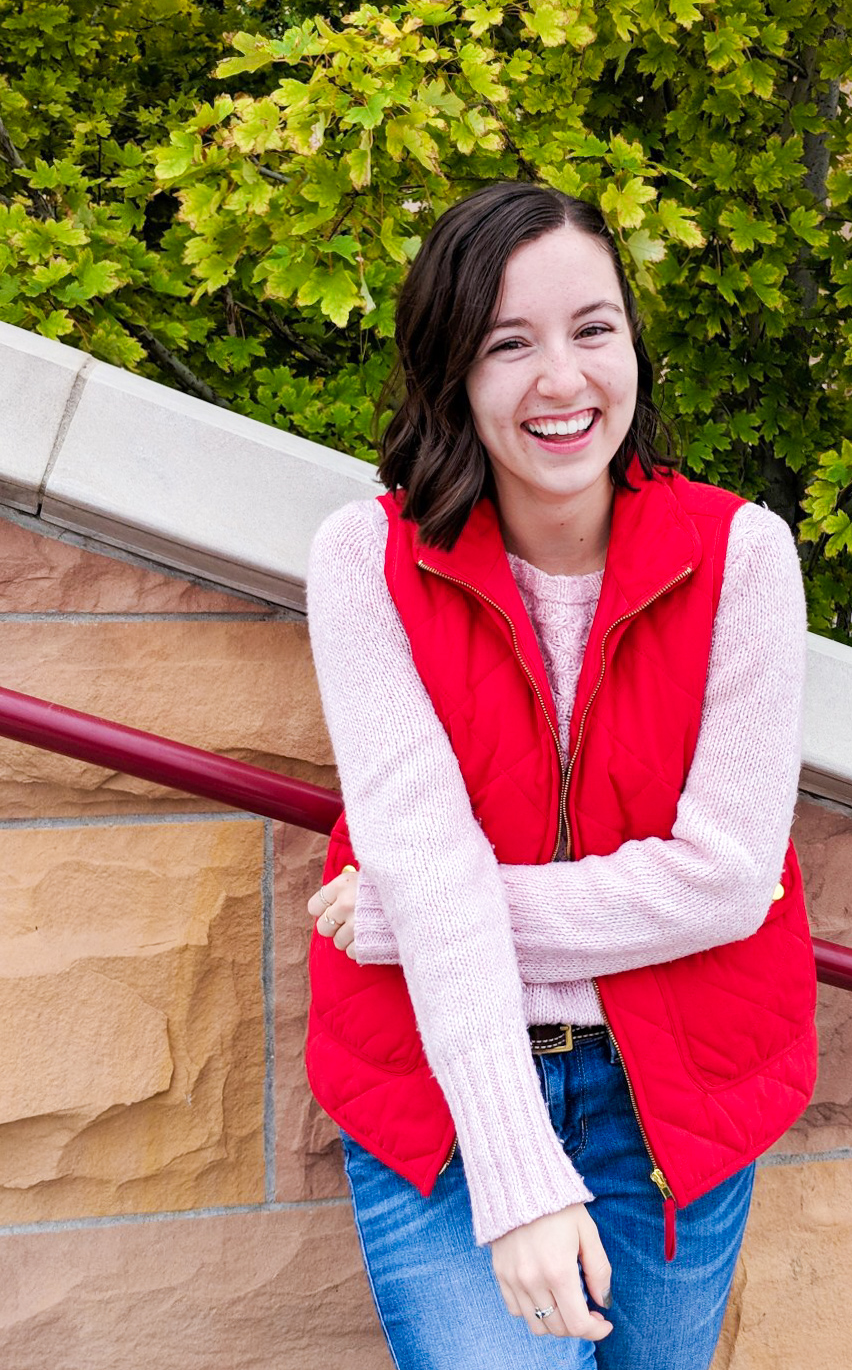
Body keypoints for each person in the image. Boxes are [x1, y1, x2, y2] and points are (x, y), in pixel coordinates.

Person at [303, 179, 817, 1369]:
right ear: (451, 369)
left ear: (632, 342)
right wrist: (517, 1178)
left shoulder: (740, 554)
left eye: (592, 328)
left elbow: (726, 878)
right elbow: (423, 850)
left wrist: (413, 916)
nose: (562, 378)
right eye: (508, 344)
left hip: (675, 1091)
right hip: (440, 1088)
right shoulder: (365, 559)